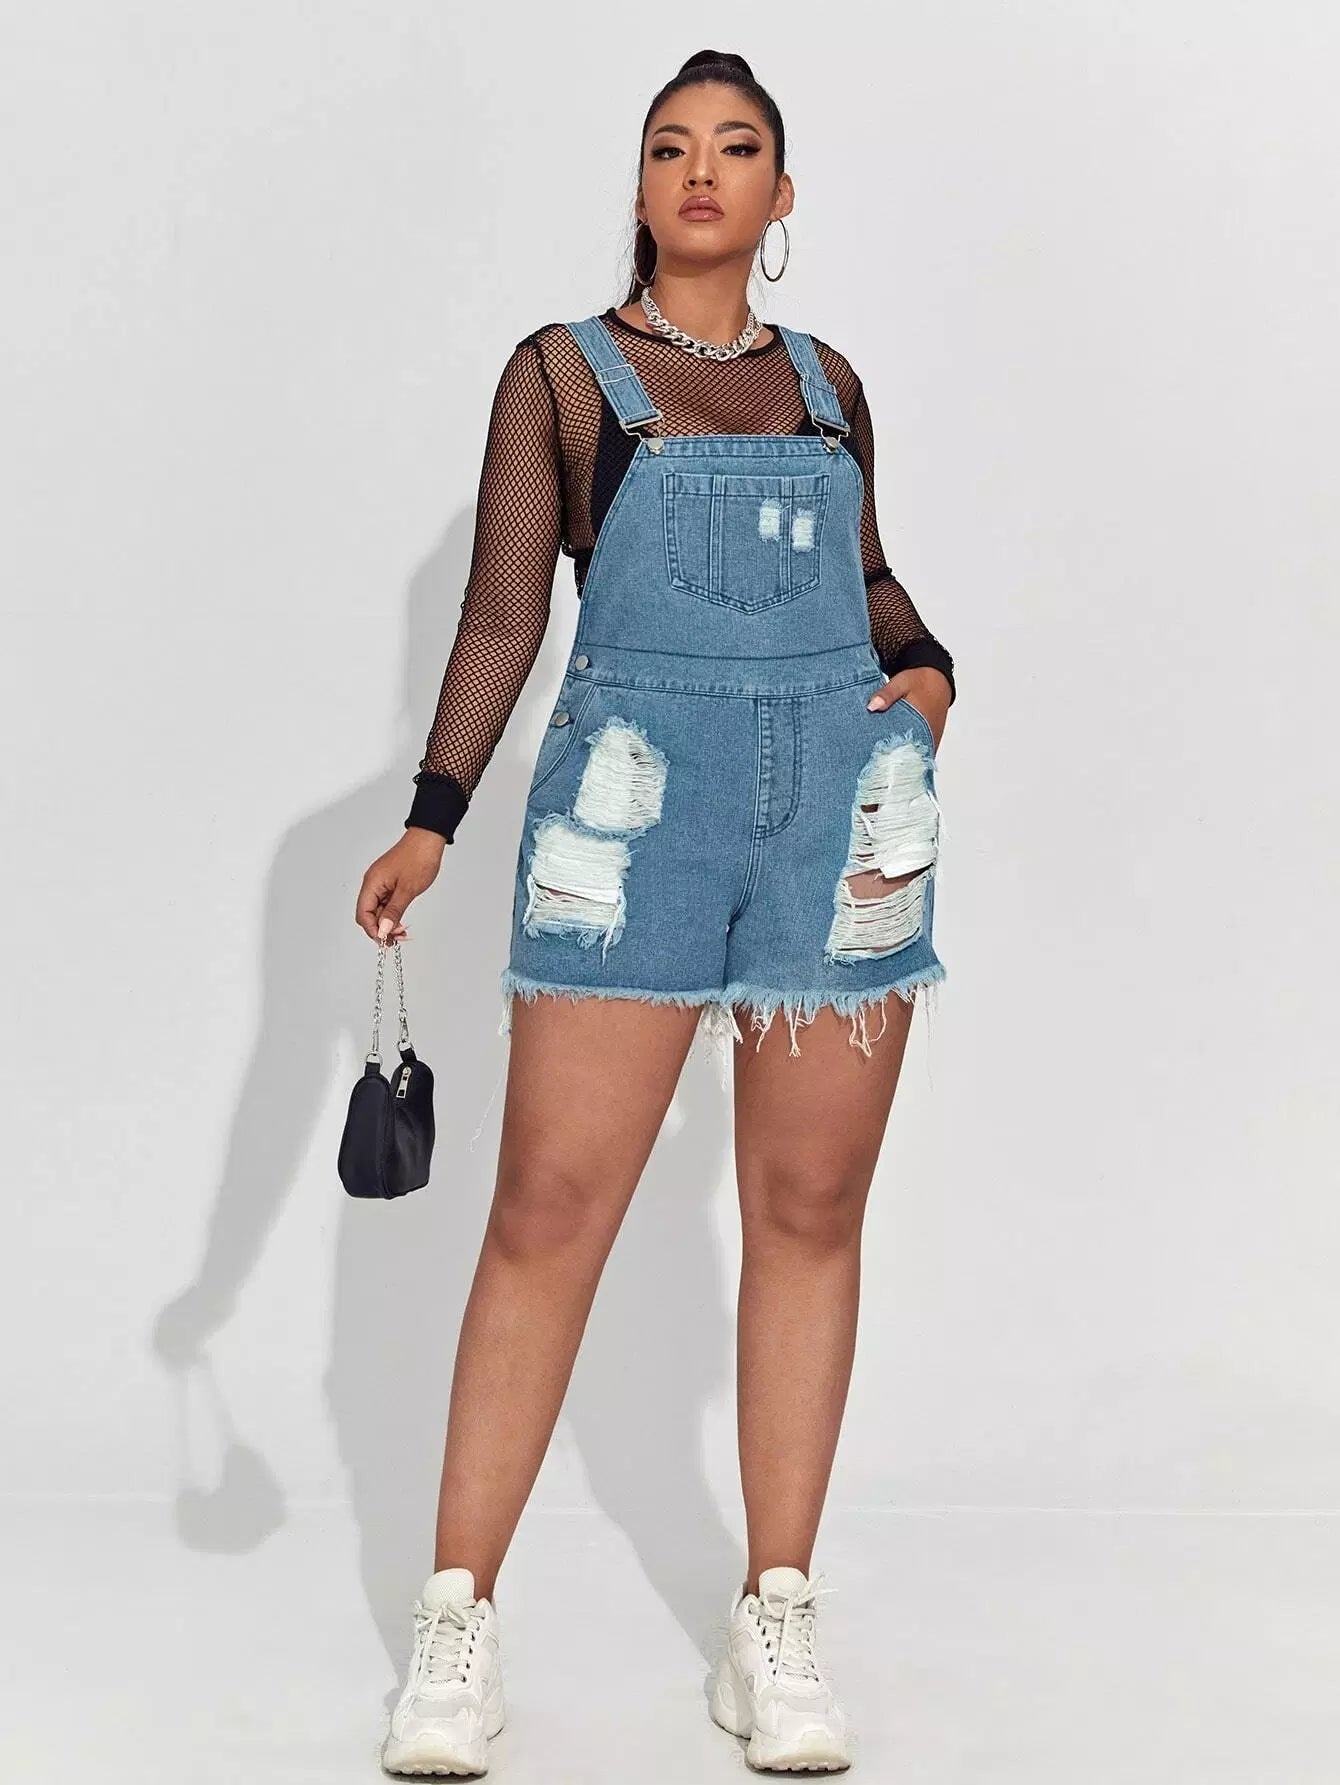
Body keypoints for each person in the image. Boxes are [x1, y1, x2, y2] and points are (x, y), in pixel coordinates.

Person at [356, 47, 956, 1778]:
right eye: (671, 146)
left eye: (737, 146)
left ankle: (777, 1613)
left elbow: (868, 579)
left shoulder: (831, 383)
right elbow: (501, 616)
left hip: (840, 816)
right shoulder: (563, 376)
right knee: (549, 1207)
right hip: (626, 821)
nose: (703, 169)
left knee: (811, 1204)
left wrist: (927, 668)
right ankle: (457, 1622)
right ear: (639, 187)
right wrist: (435, 816)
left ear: (780, 194)